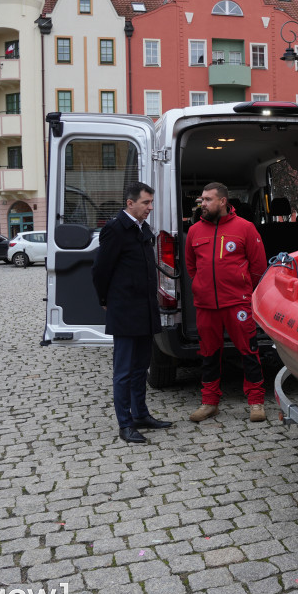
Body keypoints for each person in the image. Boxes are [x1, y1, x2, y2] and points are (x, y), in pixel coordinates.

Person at [92, 181, 173, 444]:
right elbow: (100, 269)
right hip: (125, 310)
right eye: (146, 203)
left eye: (151, 203)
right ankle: (125, 424)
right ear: (130, 203)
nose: (150, 207)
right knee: (124, 371)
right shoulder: (115, 229)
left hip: (145, 309)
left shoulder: (142, 228)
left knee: (141, 368)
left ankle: (140, 415)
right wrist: (105, 299)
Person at [185, 182, 268, 423]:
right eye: (202, 199)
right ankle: (209, 402)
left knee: (249, 351)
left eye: (208, 199)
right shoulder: (194, 231)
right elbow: (191, 266)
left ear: (223, 201)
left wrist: (243, 290)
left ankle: (256, 402)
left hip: (236, 303)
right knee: (209, 354)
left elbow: (258, 267)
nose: (202, 204)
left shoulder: (245, 228)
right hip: (206, 305)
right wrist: (201, 286)